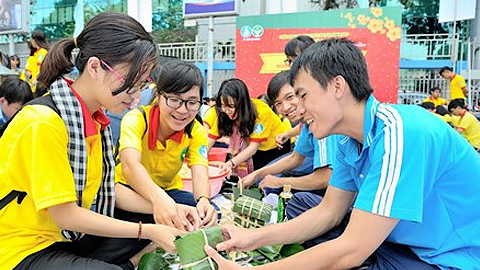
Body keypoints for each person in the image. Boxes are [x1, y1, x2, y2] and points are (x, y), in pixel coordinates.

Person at [204, 38, 480, 270]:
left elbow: (353, 248)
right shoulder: (349, 142)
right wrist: (252, 238)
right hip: (402, 247)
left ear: (337, 86)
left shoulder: (401, 133)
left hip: (448, 259)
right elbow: (328, 213)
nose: (297, 109)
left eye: (302, 95)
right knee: (309, 212)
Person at [0, 12, 183, 270]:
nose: (137, 95)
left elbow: (107, 189)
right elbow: (65, 214)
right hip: (22, 246)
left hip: (64, 236)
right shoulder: (43, 122)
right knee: (148, 230)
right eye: (131, 83)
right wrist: (148, 230)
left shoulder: (95, 120)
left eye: (142, 84)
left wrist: (169, 207)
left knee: (169, 212)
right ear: (95, 67)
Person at [116, 60, 218, 230]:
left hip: (166, 192)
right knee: (141, 227)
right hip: (127, 190)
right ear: (158, 96)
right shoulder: (137, 119)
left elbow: (200, 168)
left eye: (192, 102)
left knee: (207, 216)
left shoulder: (196, 131)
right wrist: (162, 203)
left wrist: (204, 200)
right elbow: (130, 165)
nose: (182, 110)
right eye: (174, 100)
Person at [241, 70, 337, 196]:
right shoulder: (306, 124)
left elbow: (324, 178)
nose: (285, 107)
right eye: (278, 103)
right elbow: (295, 158)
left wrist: (279, 182)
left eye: (290, 97)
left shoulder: (322, 123)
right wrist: (257, 174)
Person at [207, 78, 292, 177]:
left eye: (231, 106)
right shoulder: (223, 113)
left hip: (276, 148)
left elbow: (252, 148)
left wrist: (229, 164)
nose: (227, 110)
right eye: (223, 106)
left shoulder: (261, 112)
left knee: (261, 180)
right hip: (257, 149)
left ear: (242, 103)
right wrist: (199, 161)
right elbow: (209, 140)